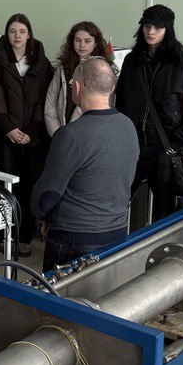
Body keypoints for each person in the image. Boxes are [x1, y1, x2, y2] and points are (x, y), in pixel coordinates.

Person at [32, 58, 139, 271]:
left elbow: (46, 198)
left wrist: (40, 214)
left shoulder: (70, 135)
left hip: (73, 239)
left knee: (58, 294)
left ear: (78, 87)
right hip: (117, 235)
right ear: (112, 88)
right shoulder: (128, 126)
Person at [115, 4, 183, 224]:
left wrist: (174, 144)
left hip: (167, 151)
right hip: (134, 147)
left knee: (164, 215)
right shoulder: (132, 61)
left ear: (168, 29)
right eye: (147, 26)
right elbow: (121, 102)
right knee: (117, 202)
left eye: (158, 27)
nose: (151, 31)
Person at [0, 13, 53, 256]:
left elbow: (45, 99)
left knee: (29, 186)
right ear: (7, 34)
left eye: (21, 31)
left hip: (33, 138)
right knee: (5, 188)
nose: (17, 36)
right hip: (5, 137)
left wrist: (32, 130)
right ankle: (5, 235)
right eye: (12, 31)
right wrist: (8, 127)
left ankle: (25, 236)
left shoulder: (42, 64)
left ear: (29, 34)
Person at [44, 21, 113, 136]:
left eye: (87, 41)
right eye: (78, 40)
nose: (82, 45)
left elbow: (108, 105)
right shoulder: (63, 66)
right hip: (61, 131)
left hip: (89, 134)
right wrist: (57, 133)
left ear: (95, 43)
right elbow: (50, 101)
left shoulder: (103, 69)